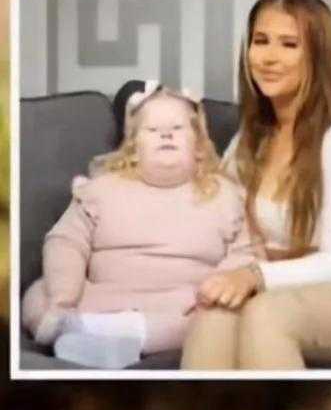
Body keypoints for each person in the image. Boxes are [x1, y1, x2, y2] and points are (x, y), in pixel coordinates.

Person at [180, 0, 331, 371]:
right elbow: (216, 212)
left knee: (266, 314)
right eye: (260, 41)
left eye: (289, 44)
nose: (269, 58)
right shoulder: (252, 135)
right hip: (292, 286)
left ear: (318, 56)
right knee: (214, 315)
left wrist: (254, 274)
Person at [21, 84, 254, 369]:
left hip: (183, 302)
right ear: (133, 146)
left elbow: (247, 251)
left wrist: (217, 286)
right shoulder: (100, 190)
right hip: (101, 297)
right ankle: (68, 328)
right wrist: (63, 297)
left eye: (178, 129)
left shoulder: (225, 195)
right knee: (36, 293)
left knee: (220, 319)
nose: (166, 135)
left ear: (199, 145)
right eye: (153, 130)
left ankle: (118, 336)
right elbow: (65, 241)